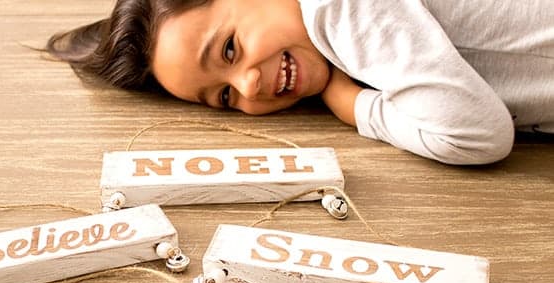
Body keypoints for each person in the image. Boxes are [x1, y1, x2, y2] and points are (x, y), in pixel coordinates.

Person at [46, 0, 554, 165]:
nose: (248, 85)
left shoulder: (336, 10)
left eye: (229, 48)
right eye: (223, 97)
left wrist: (353, 106)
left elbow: (476, 136)